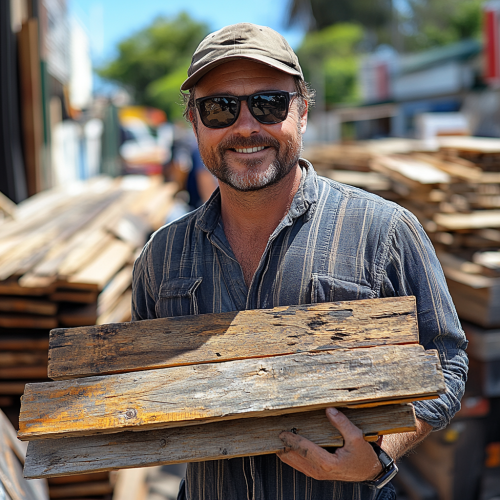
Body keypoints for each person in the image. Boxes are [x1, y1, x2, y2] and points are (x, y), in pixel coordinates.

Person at [132, 23, 468, 500]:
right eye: (220, 107)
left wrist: (380, 455)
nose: (246, 126)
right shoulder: (160, 257)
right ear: (194, 122)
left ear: (303, 112)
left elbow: (447, 361)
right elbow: (141, 386)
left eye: (269, 104)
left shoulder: (385, 232)